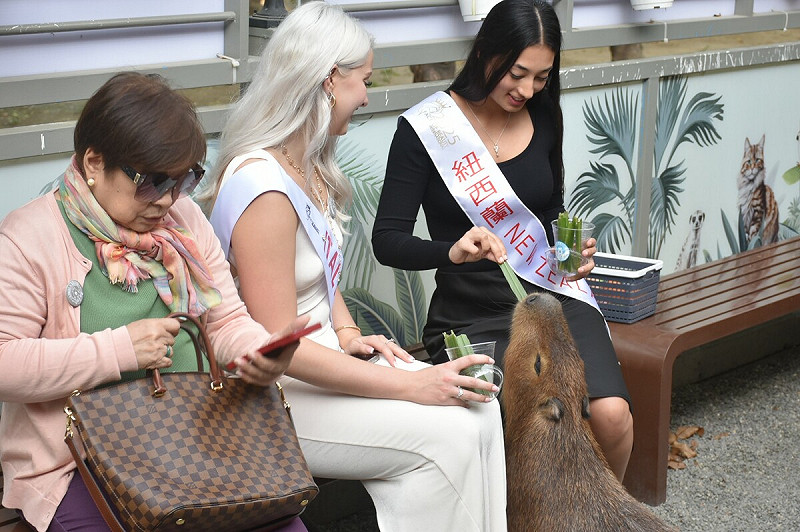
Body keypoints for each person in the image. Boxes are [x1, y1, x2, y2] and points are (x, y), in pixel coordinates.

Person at [201, 3, 507, 530]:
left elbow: (317, 276)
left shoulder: (308, 162)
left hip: (327, 359)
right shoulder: (261, 187)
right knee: (450, 435)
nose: (367, 96)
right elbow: (280, 345)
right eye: (363, 80)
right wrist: (412, 385)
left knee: (479, 407)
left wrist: (346, 331)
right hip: (278, 392)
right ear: (328, 80)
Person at [0, 73, 308, 532]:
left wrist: (256, 352)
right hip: (80, 460)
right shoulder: (30, 238)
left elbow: (225, 321)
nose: (167, 199)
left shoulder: (185, 220)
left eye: (184, 179)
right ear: (94, 162)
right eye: (152, 181)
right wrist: (120, 350)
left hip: (195, 437)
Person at [371, 0, 634, 481]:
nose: (527, 90)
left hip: (551, 293)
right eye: (517, 73)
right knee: (519, 431)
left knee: (612, 415)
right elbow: (386, 240)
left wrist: (569, 252)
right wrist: (450, 251)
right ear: (485, 53)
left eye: (541, 77)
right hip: (469, 308)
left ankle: (602, 513)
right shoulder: (426, 130)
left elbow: (549, 209)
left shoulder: (545, 115)